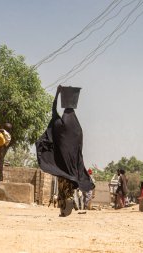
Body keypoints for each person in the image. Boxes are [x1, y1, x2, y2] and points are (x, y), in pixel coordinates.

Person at [36, 85, 94, 217]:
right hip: (73, 166)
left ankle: (64, 206)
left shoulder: (58, 124)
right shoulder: (78, 129)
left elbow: (53, 110)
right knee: (68, 184)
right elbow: (79, 149)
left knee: (62, 183)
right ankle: (66, 203)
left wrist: (57, 94)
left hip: (61, 164)